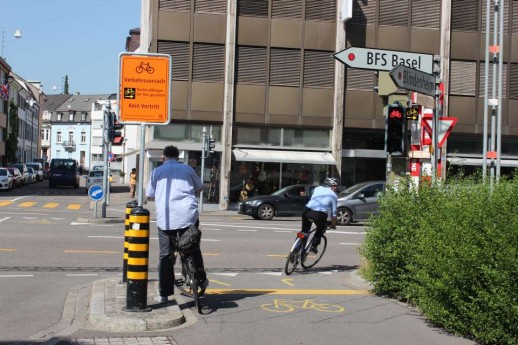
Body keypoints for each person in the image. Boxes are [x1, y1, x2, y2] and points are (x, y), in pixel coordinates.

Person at [145, 145, 208, 303]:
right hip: (188, 215)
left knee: (165, 254)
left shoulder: (156, 172)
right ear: (178, 157)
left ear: (163, 157)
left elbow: (149, 194)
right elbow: (199, 187)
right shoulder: (187, 169)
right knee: (193, 247)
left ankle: (164, 294)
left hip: (166, 219)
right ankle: (201, 279)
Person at [301, 177, 338, 253]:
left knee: (304, 232)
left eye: (336, 186)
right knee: (321, 228)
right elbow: (334, 214)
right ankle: (314, 246)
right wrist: (333, 224)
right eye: (333, 186)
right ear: (329, 186)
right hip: (319, 214)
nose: (335, 188)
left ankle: (297, 250)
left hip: (307, 210)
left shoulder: (317, 188)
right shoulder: (334, 195)